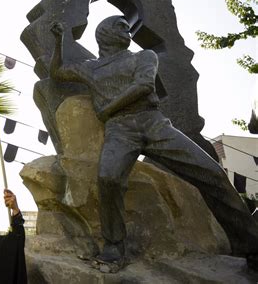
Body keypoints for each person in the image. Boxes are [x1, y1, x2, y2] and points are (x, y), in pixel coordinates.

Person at [50, 16, 258, 270]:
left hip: (154, 123)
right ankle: (114, 246)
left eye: (128, 27)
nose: (127, 30)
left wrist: (107, 109)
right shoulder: (89, 67)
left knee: (211, 172)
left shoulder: (144, 56)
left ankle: (252, 246)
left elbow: (144, 85)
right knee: (108, 178)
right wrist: (59, 41)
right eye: (120, 26)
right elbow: (57, 72)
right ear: (103, 33)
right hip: (120, 130)